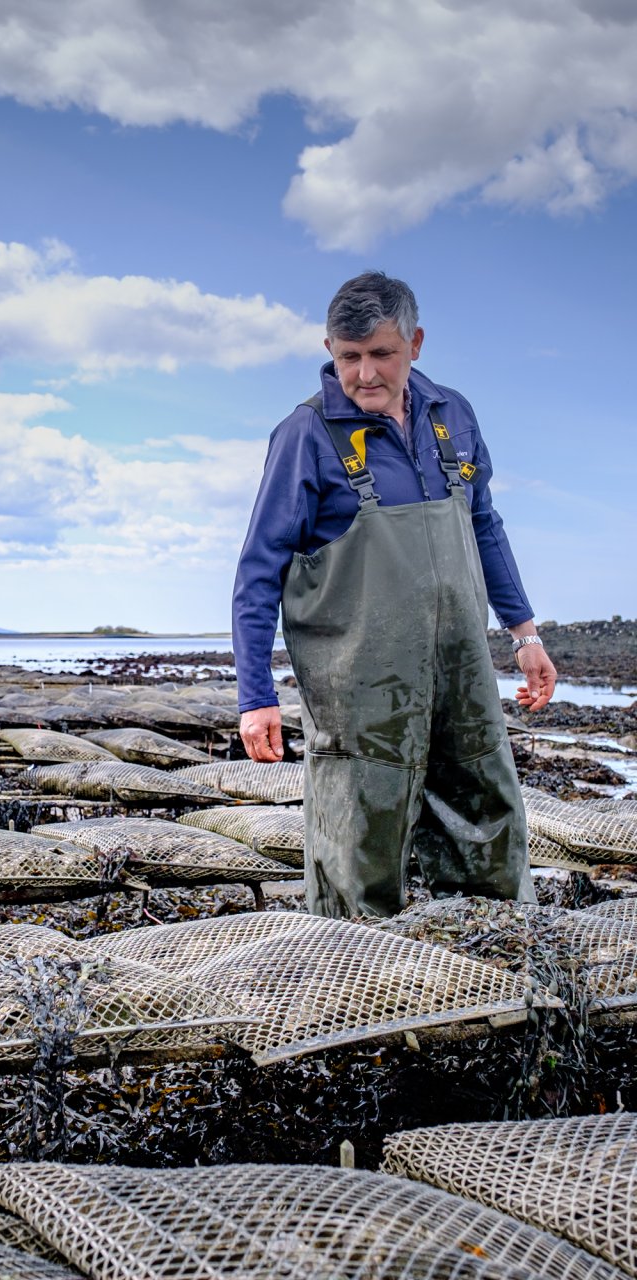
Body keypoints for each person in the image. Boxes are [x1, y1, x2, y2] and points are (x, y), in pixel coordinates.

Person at [232, 271, 556, 918]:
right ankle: (353, 965)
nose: (365, 374)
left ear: (416, 343)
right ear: (329, 348)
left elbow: (483, 526)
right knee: (360, 830)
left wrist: (525, 635)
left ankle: (491, 943)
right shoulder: (307, 435)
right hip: (358, 679)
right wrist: (256, 698)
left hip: (459, 664)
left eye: (382, 353)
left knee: (485, 803)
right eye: (348, 357)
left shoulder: (453, 416)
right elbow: (258, 570)